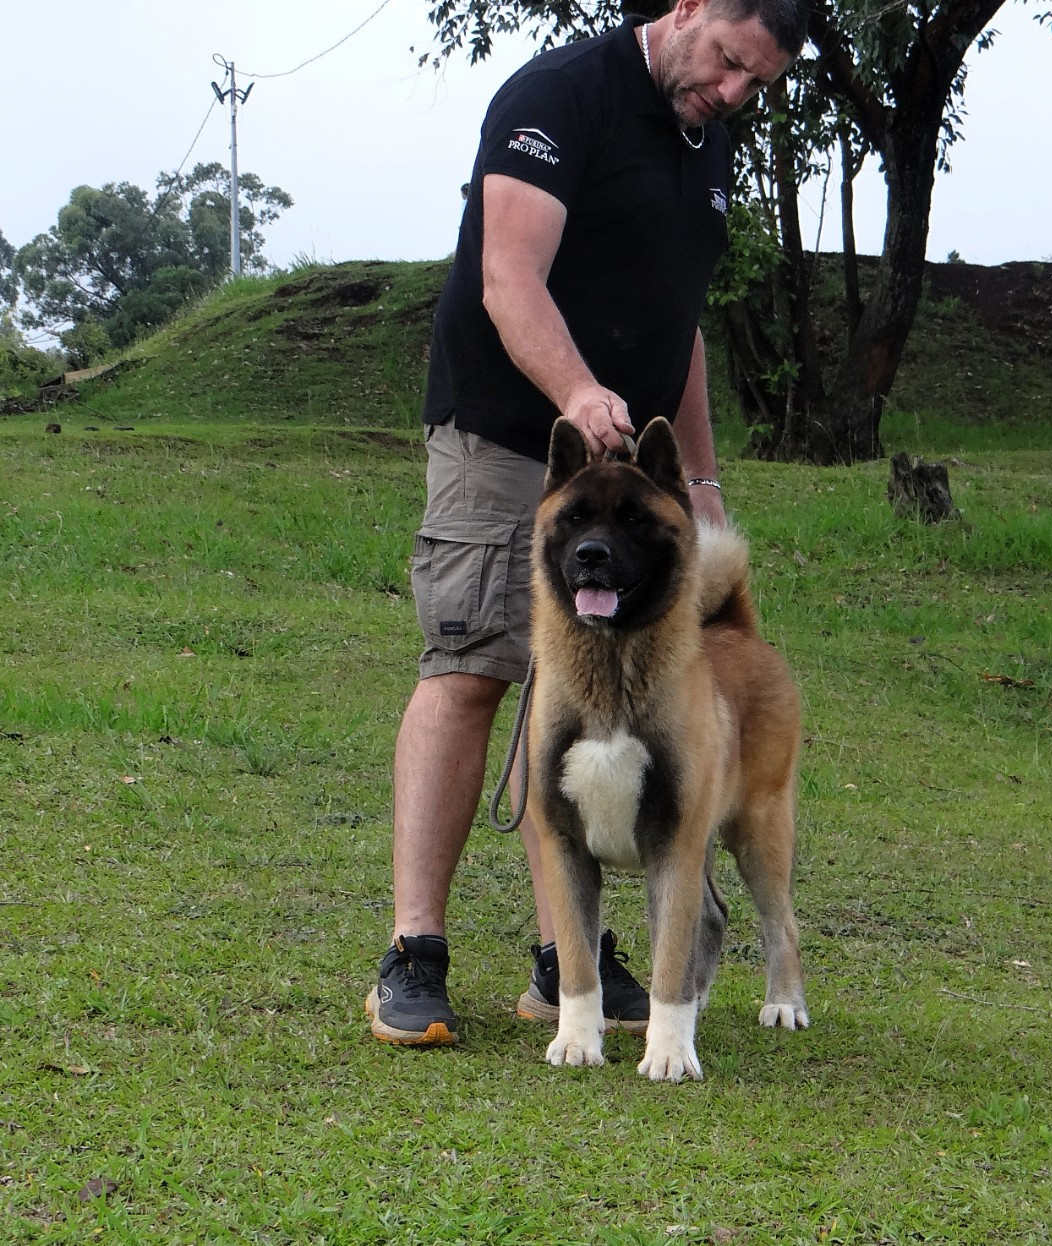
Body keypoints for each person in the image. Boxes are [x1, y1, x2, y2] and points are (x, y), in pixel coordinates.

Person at [366, 0, 809, 1047]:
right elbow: (506, 274)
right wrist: (575, 391)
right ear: (689, 8)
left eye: (759, 84)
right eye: (730, 64)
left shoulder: (707, 139)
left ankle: (562, 963)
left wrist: (696, 478)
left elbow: (675, 320)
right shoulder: (557, 98)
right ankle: (413, 952)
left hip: (632, 469)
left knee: (595, 702)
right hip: (511, 435)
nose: (735, 92)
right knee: (470, 667)